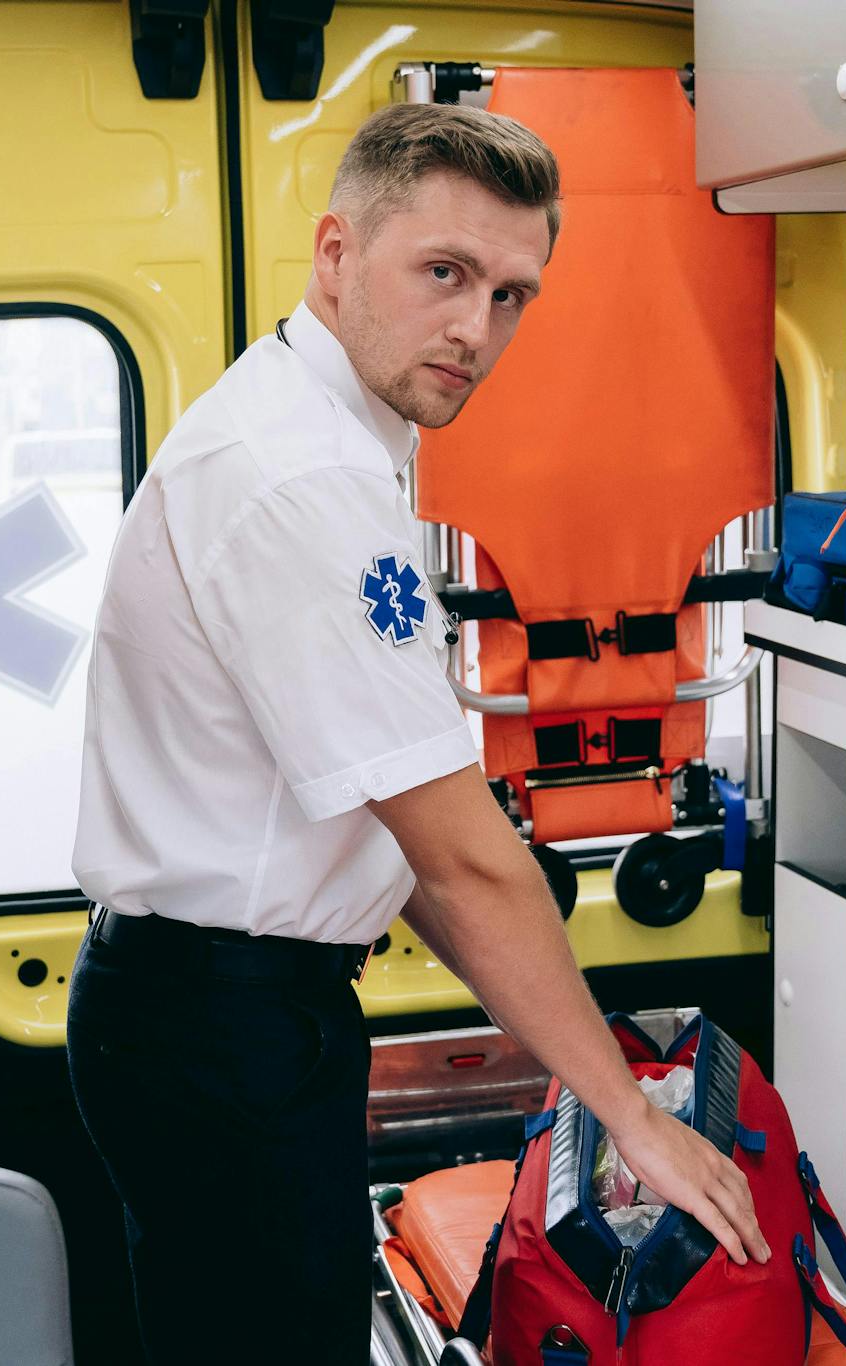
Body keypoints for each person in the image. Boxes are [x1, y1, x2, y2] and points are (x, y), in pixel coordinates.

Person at [67, 100, 768, 1365]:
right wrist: (628, 1120)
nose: (475, 328)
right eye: (443, 273)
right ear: (337, 255)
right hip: (219, 1025)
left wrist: (586, 1062)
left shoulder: (327, 437)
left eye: (510, 294)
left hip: (216, 1010)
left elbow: (407, 844)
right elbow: (461, 856)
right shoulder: (302, 478)